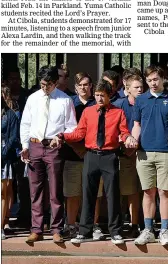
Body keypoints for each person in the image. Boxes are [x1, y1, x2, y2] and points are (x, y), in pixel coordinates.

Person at [62, 80, 137, 245]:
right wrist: (62, 135)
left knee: (112, 195)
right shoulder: (88, 112)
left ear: (109, 95)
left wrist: (128, 137)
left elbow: (123, 131)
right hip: (91, 155)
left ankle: (115, 232)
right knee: (88, 194)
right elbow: (79, 133)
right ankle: (84, 231)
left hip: (110, 155)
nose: (99, 99)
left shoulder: (118, 112)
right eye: (96, 95)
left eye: (102, 95)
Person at [19, 65, 77, 244]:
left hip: (53, 147)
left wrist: (61, 137)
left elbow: (72, 126)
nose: (45, 88)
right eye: (43, 84)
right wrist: (25, 145)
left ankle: (57, 229)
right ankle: (36, 229)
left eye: (49, 84)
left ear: (56, 82)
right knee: (35, 191)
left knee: (55, 191)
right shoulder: (33, 99)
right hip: (35, 146)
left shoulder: (65, 100)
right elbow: (25, 124)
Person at [131, 65, 168, 246]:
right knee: (148, 192)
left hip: (167, 152)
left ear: (162, 79)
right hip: (144, 152)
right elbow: (136, 125)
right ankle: (148, 230)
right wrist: (133, 139)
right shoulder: (140, 100)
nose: (152, 83)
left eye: (155, 79)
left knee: (165, 192)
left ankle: (164, 230)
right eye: (149, 80)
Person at [62, 72, 96, 239]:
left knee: (93, 193)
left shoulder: (97, 104)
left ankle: (92, 225)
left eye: (86, 84)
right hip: (71, 154)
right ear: (75, 87)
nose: (83, 87)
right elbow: (63, 129)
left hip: (92, 155)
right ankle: (70, 225)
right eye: (80, 85)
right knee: (72, 193)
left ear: (91, 86)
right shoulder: (69, 104)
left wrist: (86, 149)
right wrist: (76, 148)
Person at [114, 72, 144, 237]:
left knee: (143, 191)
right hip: (124, 153)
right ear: (127, 88)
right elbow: (114, 127)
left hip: (143, 152)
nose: (140, 90)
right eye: (136, 87)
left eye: (141, 87)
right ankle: (121, 223)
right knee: (126, 190)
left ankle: (138, 224)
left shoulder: (147, 103)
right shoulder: (119, 105)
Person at [1, 91, 20, 240]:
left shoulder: (10, 115)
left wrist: (3, 153)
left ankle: (1, 226)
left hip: (4, 156)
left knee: (3, 192)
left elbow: (14, 137)